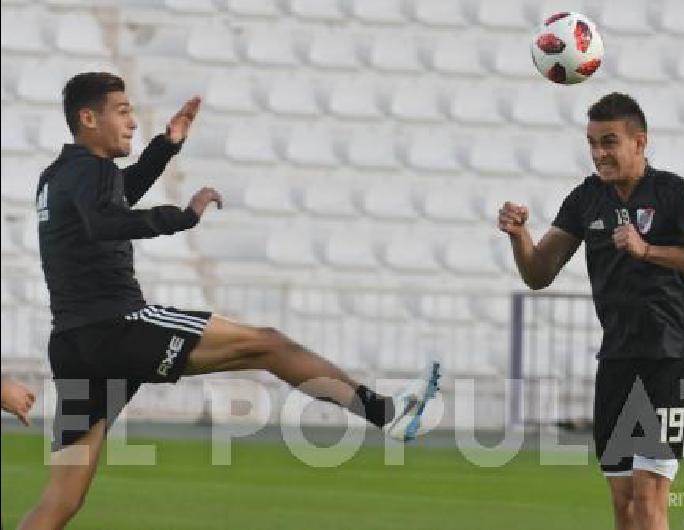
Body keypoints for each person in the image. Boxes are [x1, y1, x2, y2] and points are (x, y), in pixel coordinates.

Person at [18, 72, 441, 530]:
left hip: (74, 343)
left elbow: (113, 199)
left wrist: (166, 146)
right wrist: (182, 217)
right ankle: (385, 413)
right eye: (122, 112)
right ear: (88, 118)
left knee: (61, 501)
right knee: (270, 345)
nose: (132, 123)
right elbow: (105, 222)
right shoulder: (91, 170)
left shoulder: (59, 175)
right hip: (117, 327)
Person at [498, 92, 684, 530]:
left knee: (648, 499)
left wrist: (648, 251)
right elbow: (539, 273)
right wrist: (519, 236)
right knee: (625, 505)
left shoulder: (673, 194)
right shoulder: (587, 199)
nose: (598, 154)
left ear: (639, 142)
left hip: (669, 358)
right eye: (592, 143)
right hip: (616, 360)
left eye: (609, 142)